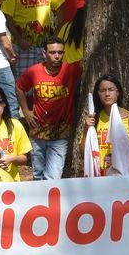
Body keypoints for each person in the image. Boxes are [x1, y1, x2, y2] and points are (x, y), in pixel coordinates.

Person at [16, 36, 82, 180]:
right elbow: (20, 87)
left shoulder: (71, 69)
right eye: (52, 52)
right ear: (44, 54)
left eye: (60, 52)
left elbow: (87, 60)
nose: (57, 56)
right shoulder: (34, 71)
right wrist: (26, 111)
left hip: (60, 134)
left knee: (52, 177)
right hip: (37, 131)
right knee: (38, 175)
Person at [2, 0, 63, 73]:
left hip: (45, 45)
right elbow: (7, 16)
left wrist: (57, 34)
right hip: (23, 46)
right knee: (23, 81)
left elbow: (60, 6)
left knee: (45, 79)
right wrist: (19, 39)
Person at [85, 74, 129, 173]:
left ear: (118, 92)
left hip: (125, 177)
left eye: (111, 89)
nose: (107, 94)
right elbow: (84, 153)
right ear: (98, 94)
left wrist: (121, 163)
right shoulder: (95, 119)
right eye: (102, 91)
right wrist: (86, 129)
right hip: (99, 179)